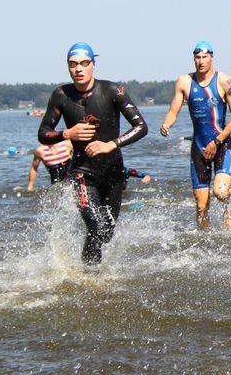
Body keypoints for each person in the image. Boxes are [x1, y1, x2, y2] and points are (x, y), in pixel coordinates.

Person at [38, 42, 148, 266]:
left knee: (105, 233)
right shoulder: (61, 95)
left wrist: (111, 144)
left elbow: (141, 127)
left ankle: (87, 269)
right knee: (95, 226)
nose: (78, 69)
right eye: (73, 64)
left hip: (113, 171)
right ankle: (90, 278)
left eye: (84, 63)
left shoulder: (113, 91)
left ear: (93, 65)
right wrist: (67, 133)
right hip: (82, 172)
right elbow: (43, 133)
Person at [160, 40, 231, 229]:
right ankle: (205, 244)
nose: (200, 61)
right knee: (201, 206)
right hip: (198, 148)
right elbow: (173, 110)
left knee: (221, 192)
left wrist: (217, 140)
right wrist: (167, 124)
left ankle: (228, 208)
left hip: (221, 145)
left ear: (211, 58)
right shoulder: (184, 82)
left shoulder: (224, 81)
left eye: (204, 57)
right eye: (197, 57)